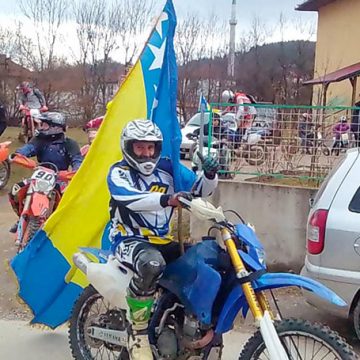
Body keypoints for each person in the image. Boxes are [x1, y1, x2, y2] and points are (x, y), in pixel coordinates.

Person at [107, 119, 219, 360]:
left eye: (151, 148)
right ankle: (136, 333)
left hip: (161, 239)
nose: (146, 154)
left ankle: (185, 322)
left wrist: (210, 172)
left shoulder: (169, 169)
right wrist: (168, 199)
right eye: (140, 148)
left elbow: (201, 189)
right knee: (152, 264)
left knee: (203, 262)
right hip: (129, 239)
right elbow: (130, 198)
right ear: (128, 147)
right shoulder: (119, 172)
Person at [8, 112, 83, 232]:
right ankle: (23, 216)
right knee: (15, 191)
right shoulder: (38, 140)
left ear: (55, 127)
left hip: (60, 177)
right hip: (39, 175)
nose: (40, 127)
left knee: (68, 201)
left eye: (44, 125)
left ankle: (63, 224)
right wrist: (19, 155)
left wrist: (76, 170)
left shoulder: (70, 144)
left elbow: (77, 159)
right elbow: (27, 149)